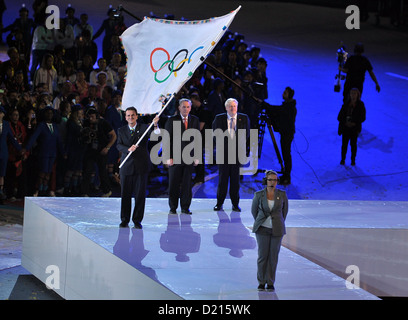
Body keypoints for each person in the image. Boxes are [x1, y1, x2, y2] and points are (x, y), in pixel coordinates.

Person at [116, 107, 160, 228]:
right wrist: (128, 149)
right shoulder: (121, 130)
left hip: (141, 166)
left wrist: (155, 125)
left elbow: (156, 136)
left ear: (137, 116)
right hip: (126, 167)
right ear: (125, 117)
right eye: (128, 115)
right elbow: (119, 145)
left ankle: (137, 220)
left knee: (140, 195)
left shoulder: (144, 128)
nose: (130, 117)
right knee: (125, 195)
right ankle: (124, 219)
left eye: (133, 115)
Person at [251, 170, 288, 291]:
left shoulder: (282, 194)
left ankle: (270, 282)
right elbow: (254, 211)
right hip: (262, 229)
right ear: (265, 181)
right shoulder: (258, 195)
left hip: (277, 230)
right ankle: (261, 281)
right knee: (262, 256)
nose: (273, 182)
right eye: (270, 180)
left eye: (275, 180)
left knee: (273, 257)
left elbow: (284, 212)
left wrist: (278, 222)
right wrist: (261, 221)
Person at [212, 98, 250, 212]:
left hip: (237, 155)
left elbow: (246, 134)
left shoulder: (244, 118)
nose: (232, 108)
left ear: (237, 107)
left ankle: (235, 204)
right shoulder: (219, 118)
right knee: (222, 180)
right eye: (230, 106)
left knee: (235, 181)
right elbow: (215, 135)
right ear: (226, 108)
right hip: (223, 154)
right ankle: (219, 204)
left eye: (234, 106)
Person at [165, 98, 200, 215]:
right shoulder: (172, 120)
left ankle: (185, 207)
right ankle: (173, 207)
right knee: (173, 183)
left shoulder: (195, 120)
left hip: (189, 157)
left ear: (191, 108)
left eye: (188, 107)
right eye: (183, 107)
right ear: (179, 108)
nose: (186, 109)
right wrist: (168, 157)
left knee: (187, 184)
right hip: (175, 158)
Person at [259, 87, 297, 185]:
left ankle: (287, 176)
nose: (283, 94)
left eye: (285, 93)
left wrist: (265, 105)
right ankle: (285, 174)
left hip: (287, 134)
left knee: (286, 155)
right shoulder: (288, 106)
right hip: (285, 134)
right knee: (285, 155)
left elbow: (277, 111)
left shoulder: (289, 108)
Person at [80, 107, 116, 197]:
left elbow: (114, 136)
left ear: (97, 116)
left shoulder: (104, 123)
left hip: (101, 150)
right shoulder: (86, 123)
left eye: (92, 116)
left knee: (102, 171)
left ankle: (107, 191)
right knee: (87, 170)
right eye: (89, 117)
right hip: (90, 150)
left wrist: (107, 148)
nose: (90, 119)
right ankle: (84, 192)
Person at [337, 88, 366, 166]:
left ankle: (353, 160)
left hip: (354, 129)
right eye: (352, 93)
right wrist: (345, 122)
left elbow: (363, 117)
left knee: (353, 145)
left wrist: (354, 123)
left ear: (358, 95)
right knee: (344, 145)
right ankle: (343, 159)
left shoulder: (361, 105)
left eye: (354, 93)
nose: (353, 95)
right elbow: (339, 117)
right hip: (346, 128)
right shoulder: (346, 104)